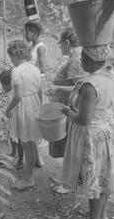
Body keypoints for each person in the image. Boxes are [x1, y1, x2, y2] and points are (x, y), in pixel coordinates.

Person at [60, 45, 114, 219]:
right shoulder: (111, 74)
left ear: (93, 60)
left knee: (95, 180)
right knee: (105, 175)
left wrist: (67, 111)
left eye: (84, 58)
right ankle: (102, 214)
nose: (80, 60)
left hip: (94, 135)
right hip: (109, 129)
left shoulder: (90, 85)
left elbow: (83, 119)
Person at [47, 28, 88, 162]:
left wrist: (58, 87)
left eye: (60, 44)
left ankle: (67, 178)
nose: (59, 47)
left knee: (68, 143)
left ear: (66, 42)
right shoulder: (73, 59)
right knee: (66, 143)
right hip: (65, 106)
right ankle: (66, 174)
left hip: (69, 107)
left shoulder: (76, 61)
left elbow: (80, 88)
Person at [6, 40, 42, 190]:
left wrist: (8, 109)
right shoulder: (34, 68)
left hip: (24, 106)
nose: (11, 61)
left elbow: (18, 95)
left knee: (26, 142)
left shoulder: (17, 71)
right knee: (31, 139)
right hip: (34, 103)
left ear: (15, 55)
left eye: (10, 57)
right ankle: (33, 166)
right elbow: (39, 91)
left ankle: (28, 178)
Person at [25, 21, 47, 167]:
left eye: (27, 32)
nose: (25, 34)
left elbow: (42, 68)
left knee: (38, 111)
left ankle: (38, 155)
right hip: (30, 80)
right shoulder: (30, 46)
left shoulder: (40, 47)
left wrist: (37, 83)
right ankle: (36, 154)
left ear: (34, 32)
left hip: (37, 81)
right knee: (32, 113)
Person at [0, 69, 24, 170]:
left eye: (2, 84)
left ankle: (20, 161)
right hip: (12, 119)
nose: (1, 87)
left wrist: (7, 111)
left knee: (18, 139)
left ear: (8, 84)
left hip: (17, 119)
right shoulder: (11, 92)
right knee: (12, 136)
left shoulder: (14, 94)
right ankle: (13, 152)